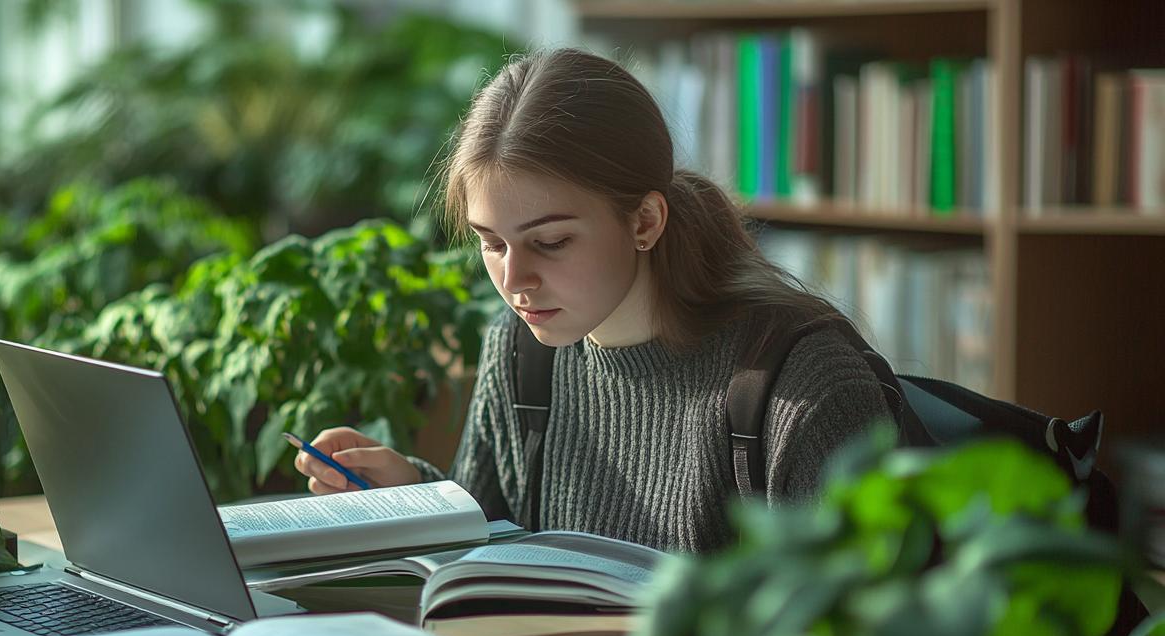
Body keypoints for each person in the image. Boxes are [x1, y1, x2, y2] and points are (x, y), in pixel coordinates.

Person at [293, 48, 894, 554]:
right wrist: (414, 495)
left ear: (645, 221)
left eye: (550, 242)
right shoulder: (522, 349)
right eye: (491, 243)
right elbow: (494, 549)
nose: (516, 279)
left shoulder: (800, 384)